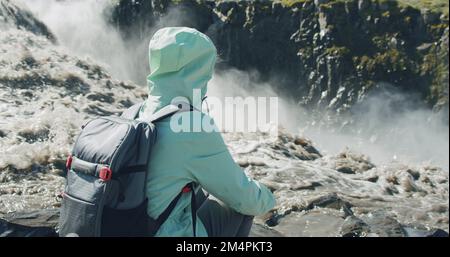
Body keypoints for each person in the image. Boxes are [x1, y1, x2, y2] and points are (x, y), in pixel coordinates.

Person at [137, 27, 276, 237]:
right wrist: (270, 199)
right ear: (199, 70)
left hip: (125, 225)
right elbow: (246, 199)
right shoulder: (191, 126)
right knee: (239, 209)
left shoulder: (137, 112)